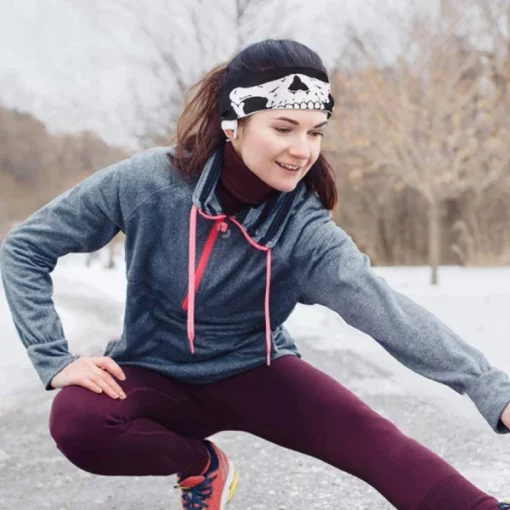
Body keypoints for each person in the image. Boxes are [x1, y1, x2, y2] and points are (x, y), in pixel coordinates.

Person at [1, 39, 510, 510]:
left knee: (373, 440)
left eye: (314, 132)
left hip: (258, 368)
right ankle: (202, 466)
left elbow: (386, 312)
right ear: (233, 123)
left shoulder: (304, 229)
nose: (302, 150)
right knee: (78, 423)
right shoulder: (149, 184)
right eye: (283, 128)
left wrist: (493, 390)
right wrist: (53, 357)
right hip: (153, 369)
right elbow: (26, 248)